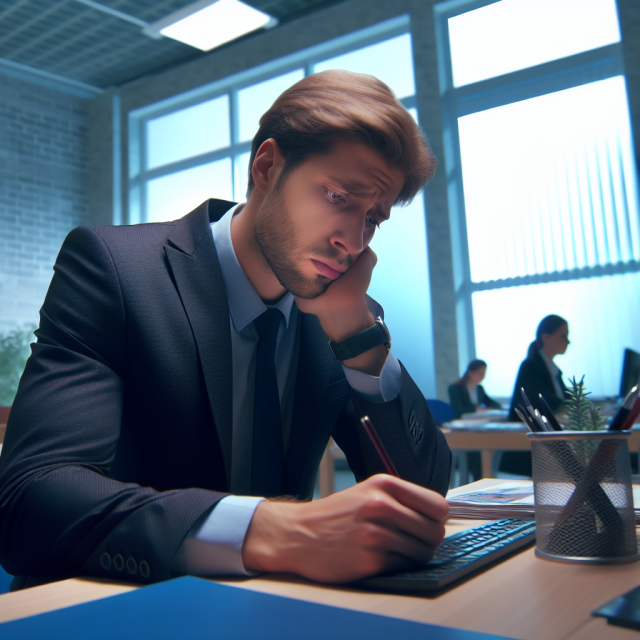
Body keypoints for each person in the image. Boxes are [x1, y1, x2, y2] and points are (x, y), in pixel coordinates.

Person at [0, 70, 451, 589]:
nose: (352, 239)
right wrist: (277, 531)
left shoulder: (341, 315)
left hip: (275, 613)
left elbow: (425, 498)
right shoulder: (116, 271)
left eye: (372, 218)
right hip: (121, 607)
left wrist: (358, 336)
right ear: (267, 166)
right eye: (336, 197)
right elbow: (31, 502)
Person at [502, 315, 570, 476]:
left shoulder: (554, 370)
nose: (568, 341)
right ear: (546, 337)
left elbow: (567, 400)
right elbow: (541, 401)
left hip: (551, 438)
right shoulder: (531, 366)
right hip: (531, 443)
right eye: (563, 335)